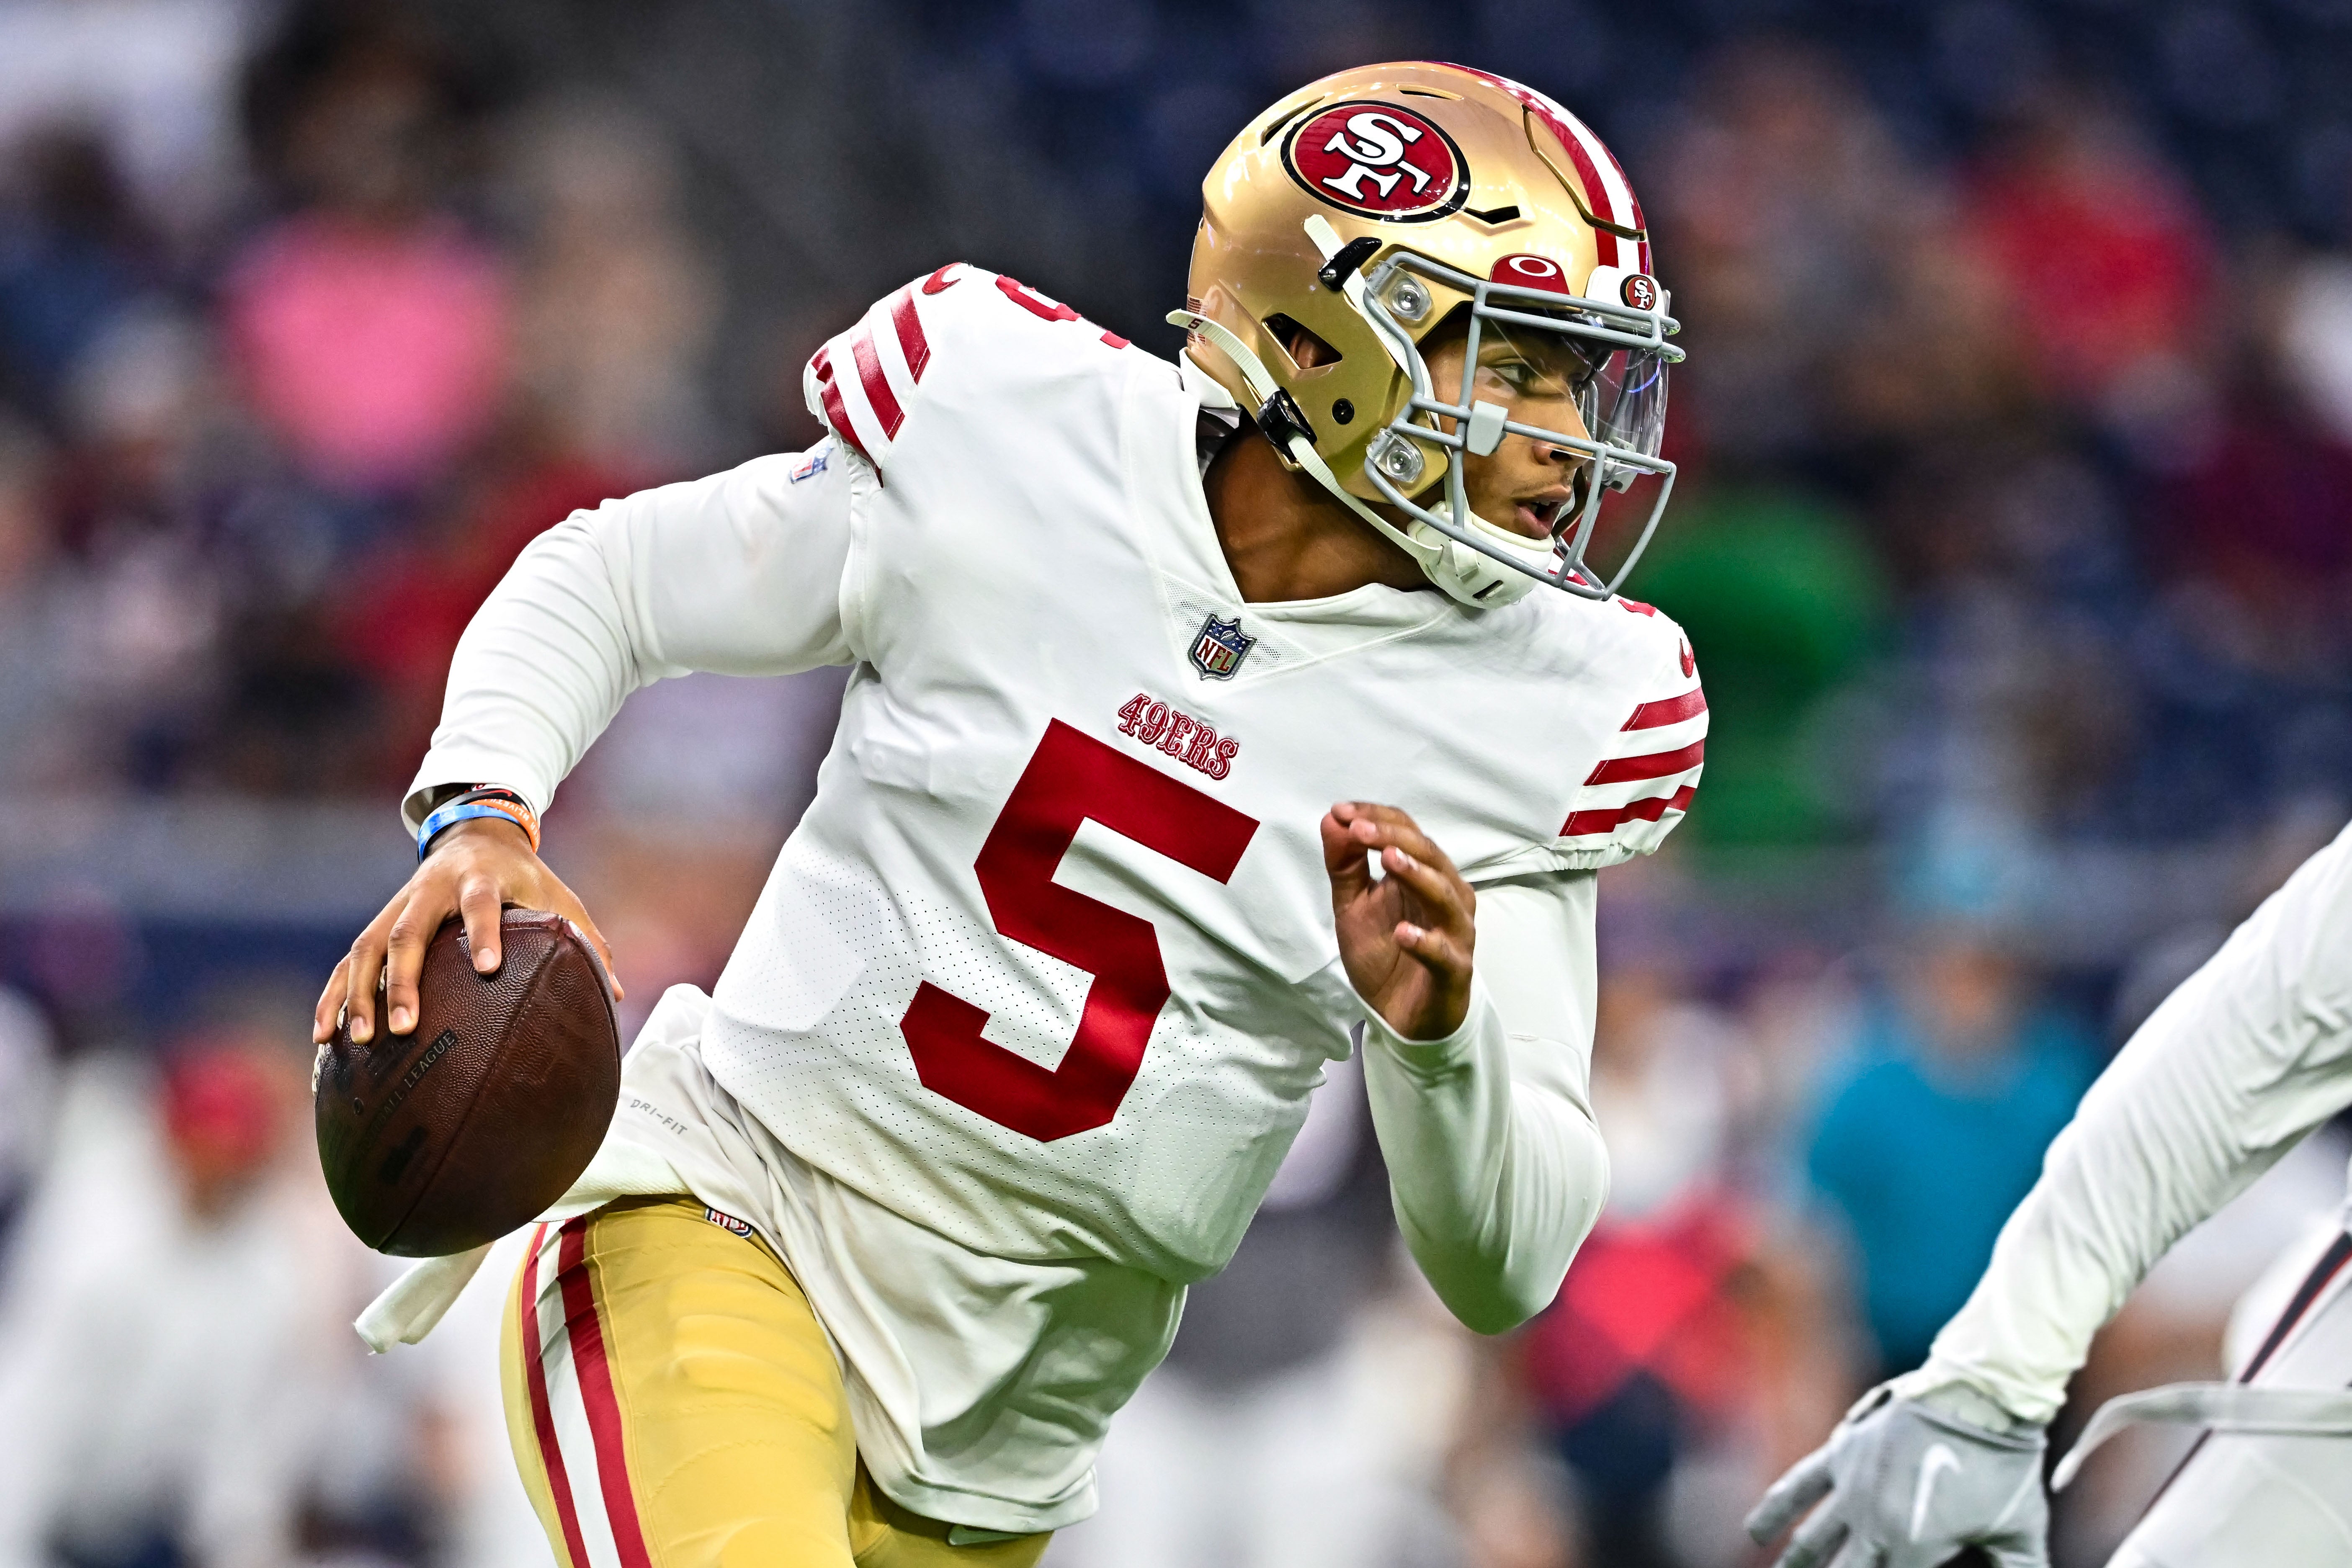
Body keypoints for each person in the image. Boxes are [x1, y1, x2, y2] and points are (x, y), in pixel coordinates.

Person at [322, 62, 1702, 1568]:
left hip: (999, 1452)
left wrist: (1435, 1048)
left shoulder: (1546, 699)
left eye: (1580, 372)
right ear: (1320, 339)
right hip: (729, 1219)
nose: (1567, 432)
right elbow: (620, 578)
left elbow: (1506, 1262)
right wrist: (480, 812)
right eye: (1514, 362)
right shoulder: (1014, 432)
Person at [1745, 820, 2352, 1568]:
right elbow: (1804, 1268)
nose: (1969, 976)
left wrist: (2102, 1454)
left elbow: (2108, 1275)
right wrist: (1804, 1421)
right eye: (1953, 951)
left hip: (2037, 1390)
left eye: (1988, 955)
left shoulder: (2053, 1078)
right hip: (1894, 1377)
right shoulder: (1862, 1088)